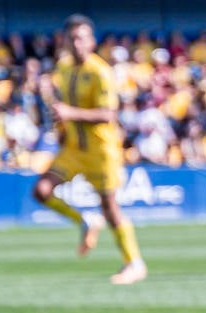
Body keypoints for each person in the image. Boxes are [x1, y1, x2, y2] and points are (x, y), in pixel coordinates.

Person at [31, 14, 146, 285]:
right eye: (72, 38)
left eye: (81, 37)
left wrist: (69, 113)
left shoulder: (101, 72)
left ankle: (134, 263)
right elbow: (60, 107)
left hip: (100, 150)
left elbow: (108, 114)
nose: (77, 43)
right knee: (41, 191)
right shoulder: (64, 68)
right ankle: (85, 220)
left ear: (91, 41)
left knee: (110, 206)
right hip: (72, 148)